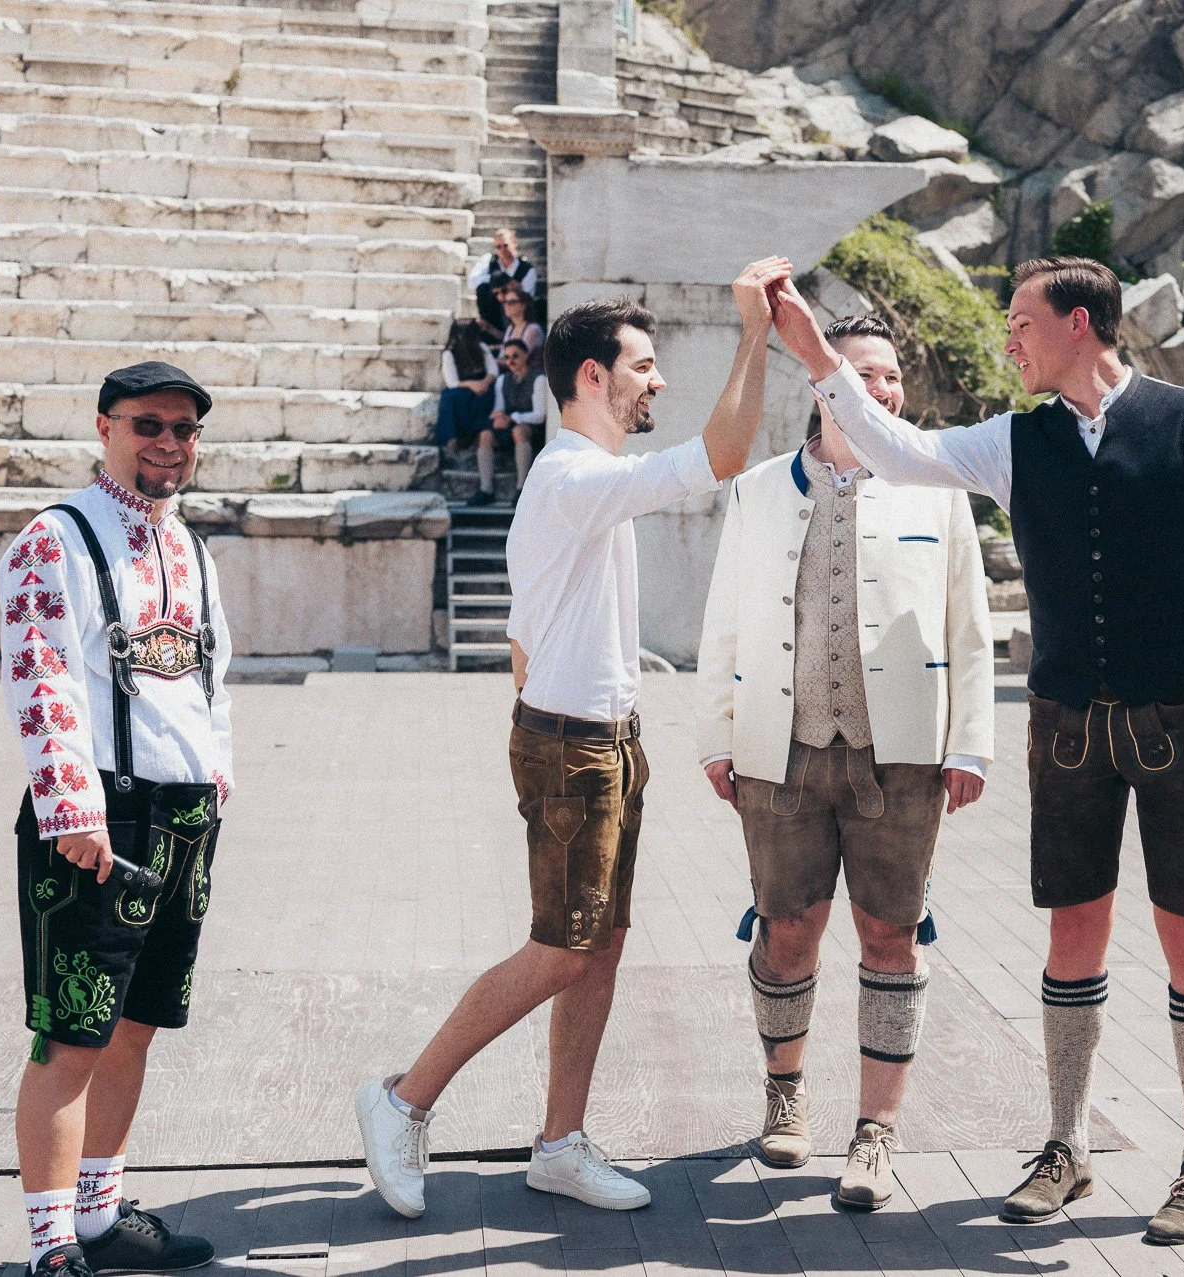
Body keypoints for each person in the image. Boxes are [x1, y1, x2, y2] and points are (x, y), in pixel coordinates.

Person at [768, 258, 1184, 1245]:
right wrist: (816, 358)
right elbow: (893, 448)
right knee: (1074, 933)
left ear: (1079, 323)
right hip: (1068, 722)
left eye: (1022, 322)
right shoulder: (1013, 442)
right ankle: (1064, 1144)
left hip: (1181, 714)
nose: (1009, 340)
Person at [353, 258, 792, 1219]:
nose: (656, 381)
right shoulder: (575, 474)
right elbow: (720, 454)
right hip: (574, 749)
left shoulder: (576, 484)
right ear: (592, 376)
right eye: (642, 365)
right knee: (560, 948)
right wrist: (755, 333)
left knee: (603, 944)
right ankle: (400, 1100)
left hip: (605, 738)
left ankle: (559, 1143)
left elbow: (522, 633)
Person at [694, 314, 995, 1210]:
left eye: (893, 376)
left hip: (902, 756)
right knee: (786, 931)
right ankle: (784, 1095)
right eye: (866, 372)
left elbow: (969, 626)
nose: (885, 389)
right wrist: (717, 734)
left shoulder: (934, 490)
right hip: (779, 753)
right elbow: (723, 621)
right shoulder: (755, 492)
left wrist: (971, 741)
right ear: (825, 388)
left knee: (889, 936)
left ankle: (876, 1131)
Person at [0, 361, 234, 1277]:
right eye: (150, 425)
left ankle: (99, 1214)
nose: (169, 445)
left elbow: (215, 677)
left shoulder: (193, 548)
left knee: (136, 1024)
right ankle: (52, 1244)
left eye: (184, 430)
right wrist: (70, 806)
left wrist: (219, 778)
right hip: (97, 815)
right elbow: (41, 673)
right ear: (105, 427)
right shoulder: (53, 538)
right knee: (70, 1034)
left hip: (182, 816)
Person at [488, 338, 548, 502]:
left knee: (519, 430)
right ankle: (485, 489)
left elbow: (540, 415)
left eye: (515, 356)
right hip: (509, 427)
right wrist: (498, 416)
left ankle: (521, 487)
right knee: (485, 435)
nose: (511, 361)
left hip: (533, 430)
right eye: (507, 357)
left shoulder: (539, 379)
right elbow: (499, 406)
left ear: (526, 356)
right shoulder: (502, 380)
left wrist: (513, 418)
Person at [437, 317, 498, 479]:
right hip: (463, 389)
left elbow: (493, 370)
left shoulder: (481, 348)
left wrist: (485, 382)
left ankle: (477, 434)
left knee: (487, 395)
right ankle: (454, 438)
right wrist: (473, 385)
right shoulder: (449, 354)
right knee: (451, 398)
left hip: (482, 388)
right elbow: (452, 382)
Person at [469, 227, 540, 337]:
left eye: (506, 245)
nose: (502, 249)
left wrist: (509, 291)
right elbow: (472, 281)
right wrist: (500, 281)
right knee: (483, 288)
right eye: (498, 247)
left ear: (514, 243)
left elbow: (527, 296)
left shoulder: (527, 269)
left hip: (515, 312)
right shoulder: (489, 261)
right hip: (492, 310)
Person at [499, 286, 545, 367]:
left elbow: (520, 358)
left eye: (511, 302)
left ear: (523, 305)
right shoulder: (510, 328)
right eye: (505, 302)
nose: (506, 306)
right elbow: (502, 355)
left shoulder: (532, 329)